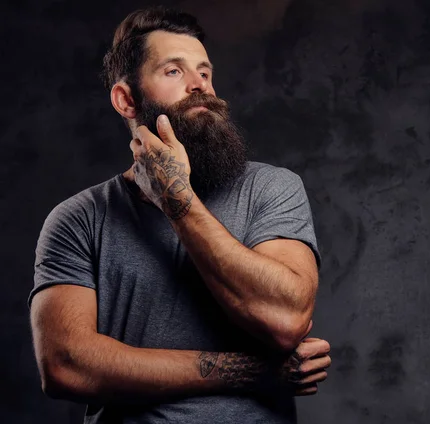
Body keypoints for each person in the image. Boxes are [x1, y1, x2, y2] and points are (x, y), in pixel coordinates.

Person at [29, 6, 331, 424]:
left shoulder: (271, 189)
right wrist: (255, 371)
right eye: (173, 71)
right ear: (126, 99)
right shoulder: (78, 219)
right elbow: (65, 365)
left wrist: (177, 201)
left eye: (204, 73)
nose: (199, 87)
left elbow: (285, 318)